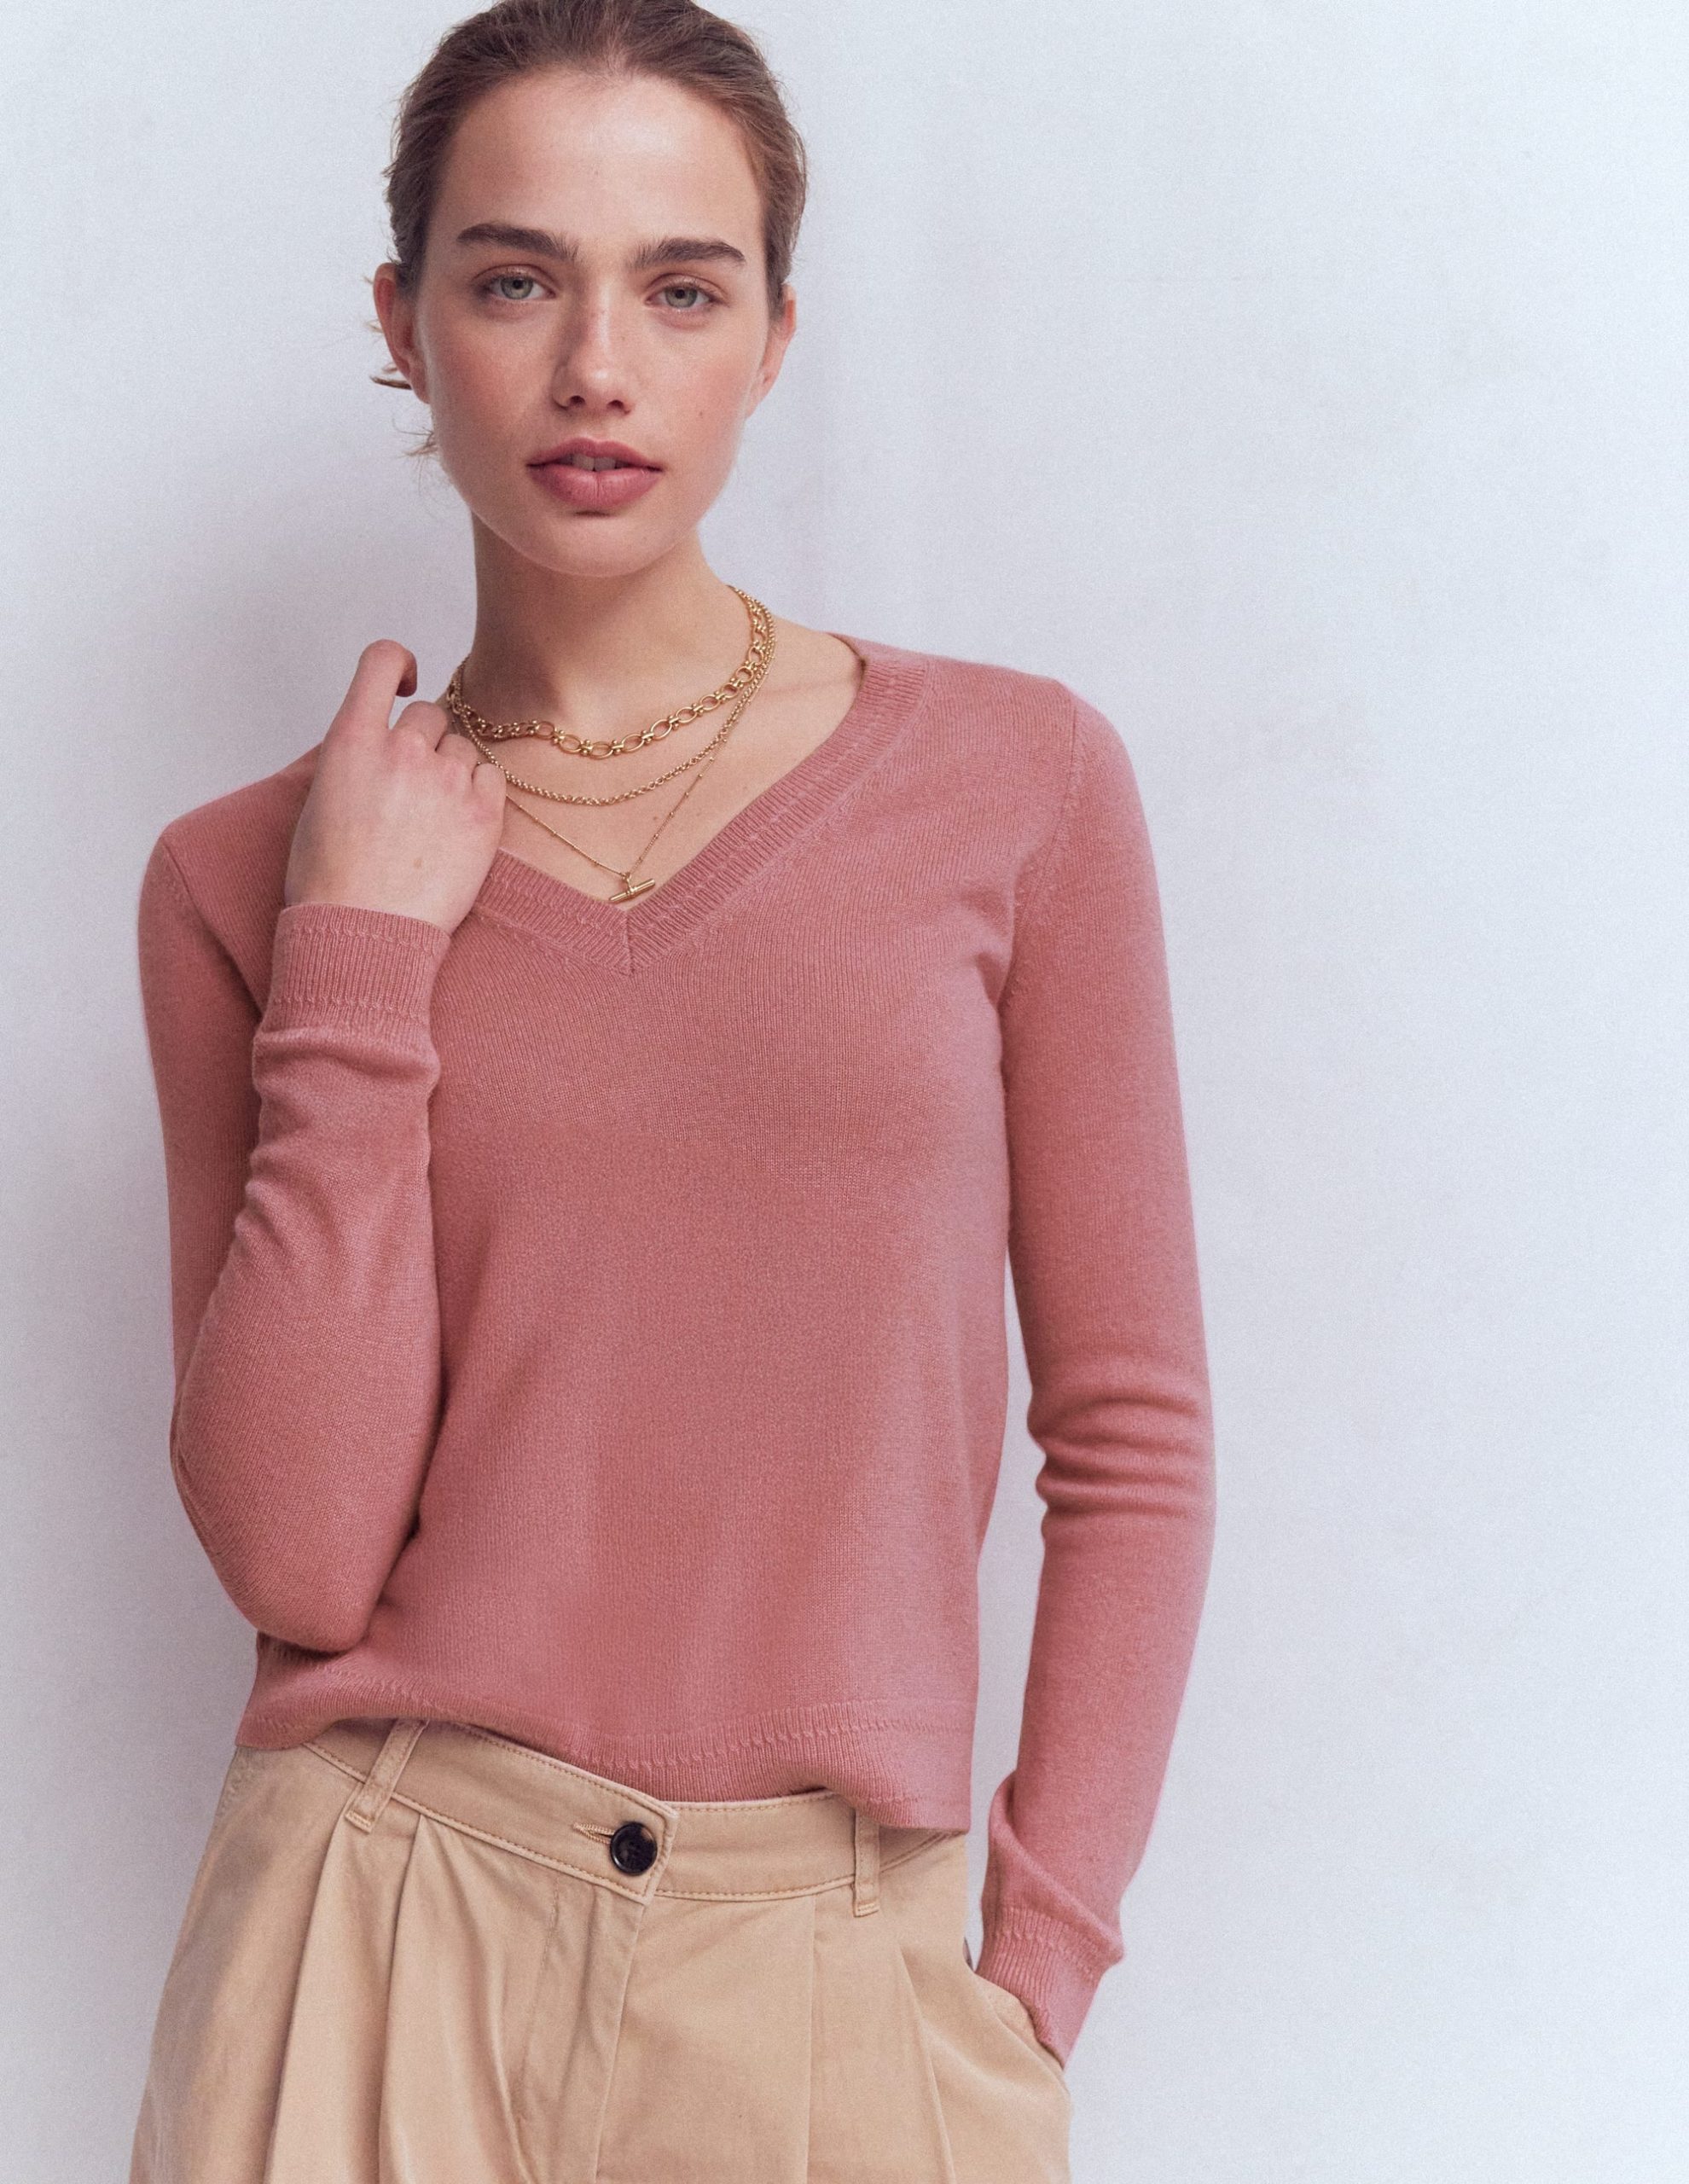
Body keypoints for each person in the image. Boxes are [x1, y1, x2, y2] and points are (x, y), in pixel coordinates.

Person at [128, 2, 1216, 2177]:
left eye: (683, 288)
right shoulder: (247, 876)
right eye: (516, 279)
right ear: (404, 323)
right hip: (370, 1936)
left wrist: (1034, 1963)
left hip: (837, 1980)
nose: (596, 367)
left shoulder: (1016, 787)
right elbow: (299, 1554)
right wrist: (361, 958)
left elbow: (1132, 1435)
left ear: (777, 335)